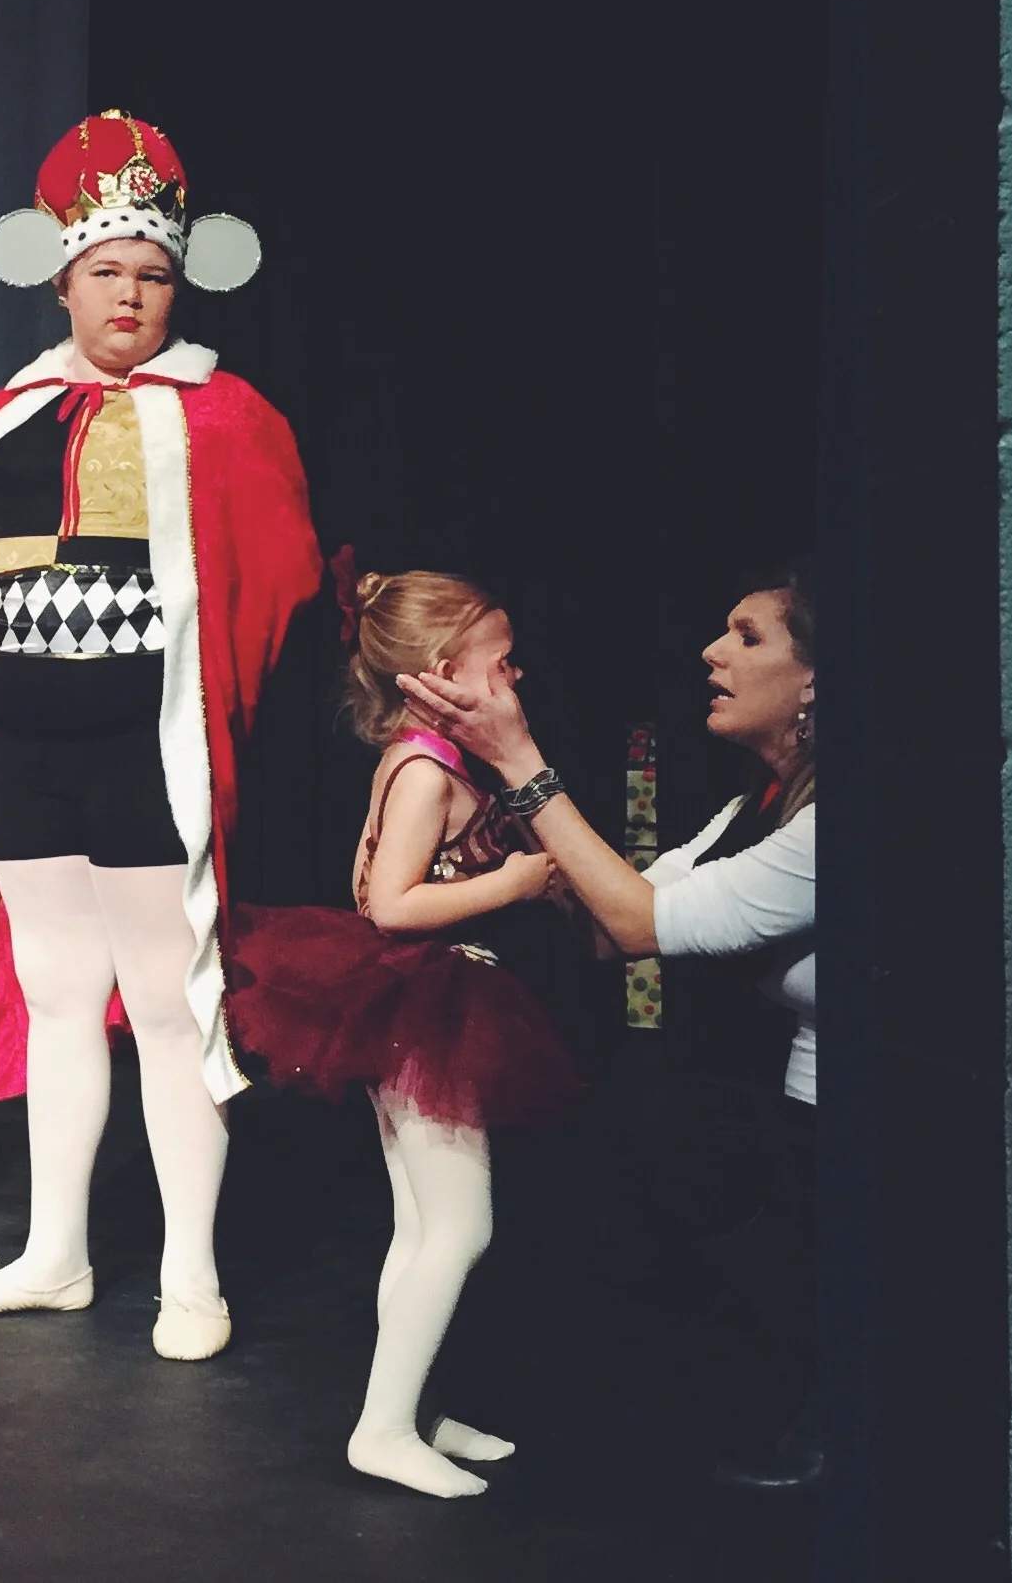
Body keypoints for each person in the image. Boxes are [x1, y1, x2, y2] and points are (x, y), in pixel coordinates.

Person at [0, 109, 319, 1360]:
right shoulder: (7, 414)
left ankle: (190, 1275)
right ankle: (56, 1253)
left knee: (165, 1005)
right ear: (61, 276)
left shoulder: (222, 413)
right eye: (107, 272)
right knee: (54, 996)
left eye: (151, 273)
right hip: (28, 757)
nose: (131, 294)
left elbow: (277, 582)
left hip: (146, 755)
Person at [401, 561, 819, 1490]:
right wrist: (498, 853)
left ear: (814, 682)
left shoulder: (831, 821)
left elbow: (639, 922)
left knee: (639, 1129)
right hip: (786, 1113)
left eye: (748, 638)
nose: (712, 651)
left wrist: (518, 763)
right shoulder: (748, 805)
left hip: (838, 1132)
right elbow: (605, 927)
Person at [229, 569, 577, 1497]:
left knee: (420, 1224)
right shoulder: (424, 766)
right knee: (460, 1228)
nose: (516, 677)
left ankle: (411, 1407)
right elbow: (386, 902)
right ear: (440, 671)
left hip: (424, 1002)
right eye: (500, 666)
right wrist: (513, 882)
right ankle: (382, 1428)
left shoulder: (424, 758)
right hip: (427, 1004)